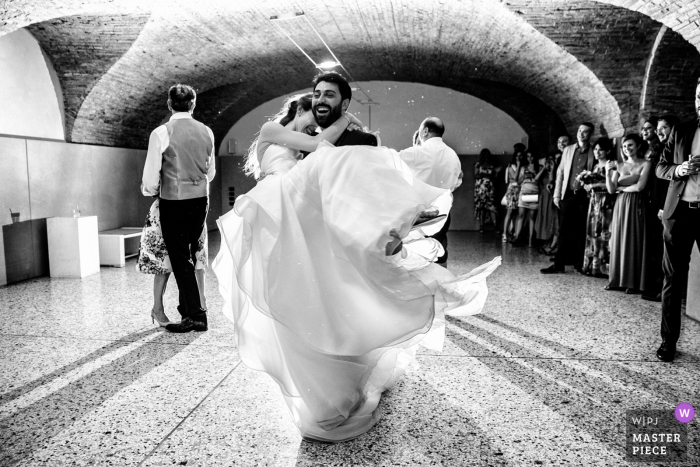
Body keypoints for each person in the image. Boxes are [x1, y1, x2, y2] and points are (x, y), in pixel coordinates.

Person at [213, 85, 500, 442]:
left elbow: (329, 165)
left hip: (303, 218)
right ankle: (323, 388)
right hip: (278, 208)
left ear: (343, 101)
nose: (312, 119)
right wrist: (337, 124)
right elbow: (320, 149)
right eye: (310, 107)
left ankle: (345, 374)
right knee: (292, 296)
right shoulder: (281, 134)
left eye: (328, 98)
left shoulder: (325, 143)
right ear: (297, 111)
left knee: (334, 296)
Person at [141, 84, 215, 333]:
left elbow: (151, 176)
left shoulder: (161, 132)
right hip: (201, 200)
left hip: (174, 201)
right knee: (192, 254)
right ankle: (187, 311)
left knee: (180, 259)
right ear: (193, 104)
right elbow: (211, 171)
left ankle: (197, 315)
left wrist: (150, 191)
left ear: (169, 104)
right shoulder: (207, 132)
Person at [655, 82, 700, 362]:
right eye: (698, 96)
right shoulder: (682, 129)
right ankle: (668, 342)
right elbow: (661, 166)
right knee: (672, 279)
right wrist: (680, 168)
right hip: (680, 212)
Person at [398, 117, 461, 265]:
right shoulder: (453, 155)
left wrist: (414, 146)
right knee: (439, 251)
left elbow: (393, 165)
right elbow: (456, 182)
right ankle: (441, 282)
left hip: (420, 214)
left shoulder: (417, 152)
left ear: (425, 131)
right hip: (443, 213)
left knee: (417, 254)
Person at [136, 199, 208, 326]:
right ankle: (158, 309)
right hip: (169, 208)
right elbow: (149, 186)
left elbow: (148, 187)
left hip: (193, 207)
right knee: (164, 261)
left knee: (197, 257)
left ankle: (199, 304)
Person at [541, 122, 596, 274]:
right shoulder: (568, 150)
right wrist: (557, 195)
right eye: (579, 130)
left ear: (590, 134)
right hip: (569, 194)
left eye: (585, 132)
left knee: (580, 231)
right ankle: (558, 265)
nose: (581, 134)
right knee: (564, 230)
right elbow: (560, 173)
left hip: (584, 196)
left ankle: (580, 264)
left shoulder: (593, 151)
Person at [605, 134, 652, 293]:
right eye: (624, 147)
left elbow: (640, 187)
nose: (627, 149)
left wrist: (622, 189)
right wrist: (607, 173)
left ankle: (633, 282)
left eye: (630, 145)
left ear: (638, 146)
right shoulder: (619, 165)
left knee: (634, 239)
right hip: (621, 204)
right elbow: (611, 189)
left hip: (636, 203)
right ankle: (617, 280)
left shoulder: (646, 163)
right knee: (619, 239)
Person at [581, 137, 615, 277]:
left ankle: (603, 267)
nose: (597, 152)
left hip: (606, 201)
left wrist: (594, 185)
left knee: (603, 232)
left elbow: (612, 184)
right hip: (594, 201)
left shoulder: (611, 164)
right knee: (592, 231)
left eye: (600, 149)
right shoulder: (594, 166)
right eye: (595, 149)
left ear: (608, 150)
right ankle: (591, 266)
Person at [641, 117, 665, 301]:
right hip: (649, 200)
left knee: (659, 247)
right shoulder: (646, 150)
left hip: (660, 201)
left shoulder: (664, 149)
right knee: (650, 246)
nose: (657, 131)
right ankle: (649, 285)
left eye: (652, 128)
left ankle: (660, 287)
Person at [512, 150, 540, 247]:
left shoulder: (539, 167)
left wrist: (534, 173)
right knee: (521, 215)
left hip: (534, 193)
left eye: (531, 156)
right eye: (528, 157)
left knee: (532, 217)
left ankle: (530, 240)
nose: (529, 158)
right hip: (524, 192)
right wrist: (523, 174)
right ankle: (517, 238)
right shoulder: (524, 167)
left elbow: (538, 180)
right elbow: (517, 181)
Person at [502, 143, 526, 242]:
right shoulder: (511, 166)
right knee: (510, 211)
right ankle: (504, 233)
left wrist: (519, 179)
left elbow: (522, 179)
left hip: (520, 190)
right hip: (512, 190)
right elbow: (515, 178)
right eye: (517, 156)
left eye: (521, 156)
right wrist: (519, 165)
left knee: (518, 213)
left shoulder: (525, 167)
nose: (519, 158)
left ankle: (515, 231)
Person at [473, 148, 498, 233]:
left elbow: (494, 176)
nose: (486, 157)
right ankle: (481, 226)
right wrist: (485, 174)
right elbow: (475, 175)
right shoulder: (478, 164)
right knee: (482, 207)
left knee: (492, 207)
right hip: (481, 188)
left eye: (488, 155)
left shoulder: (492, 165)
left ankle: (495, 226)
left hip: (490, 188)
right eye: (485, 155)